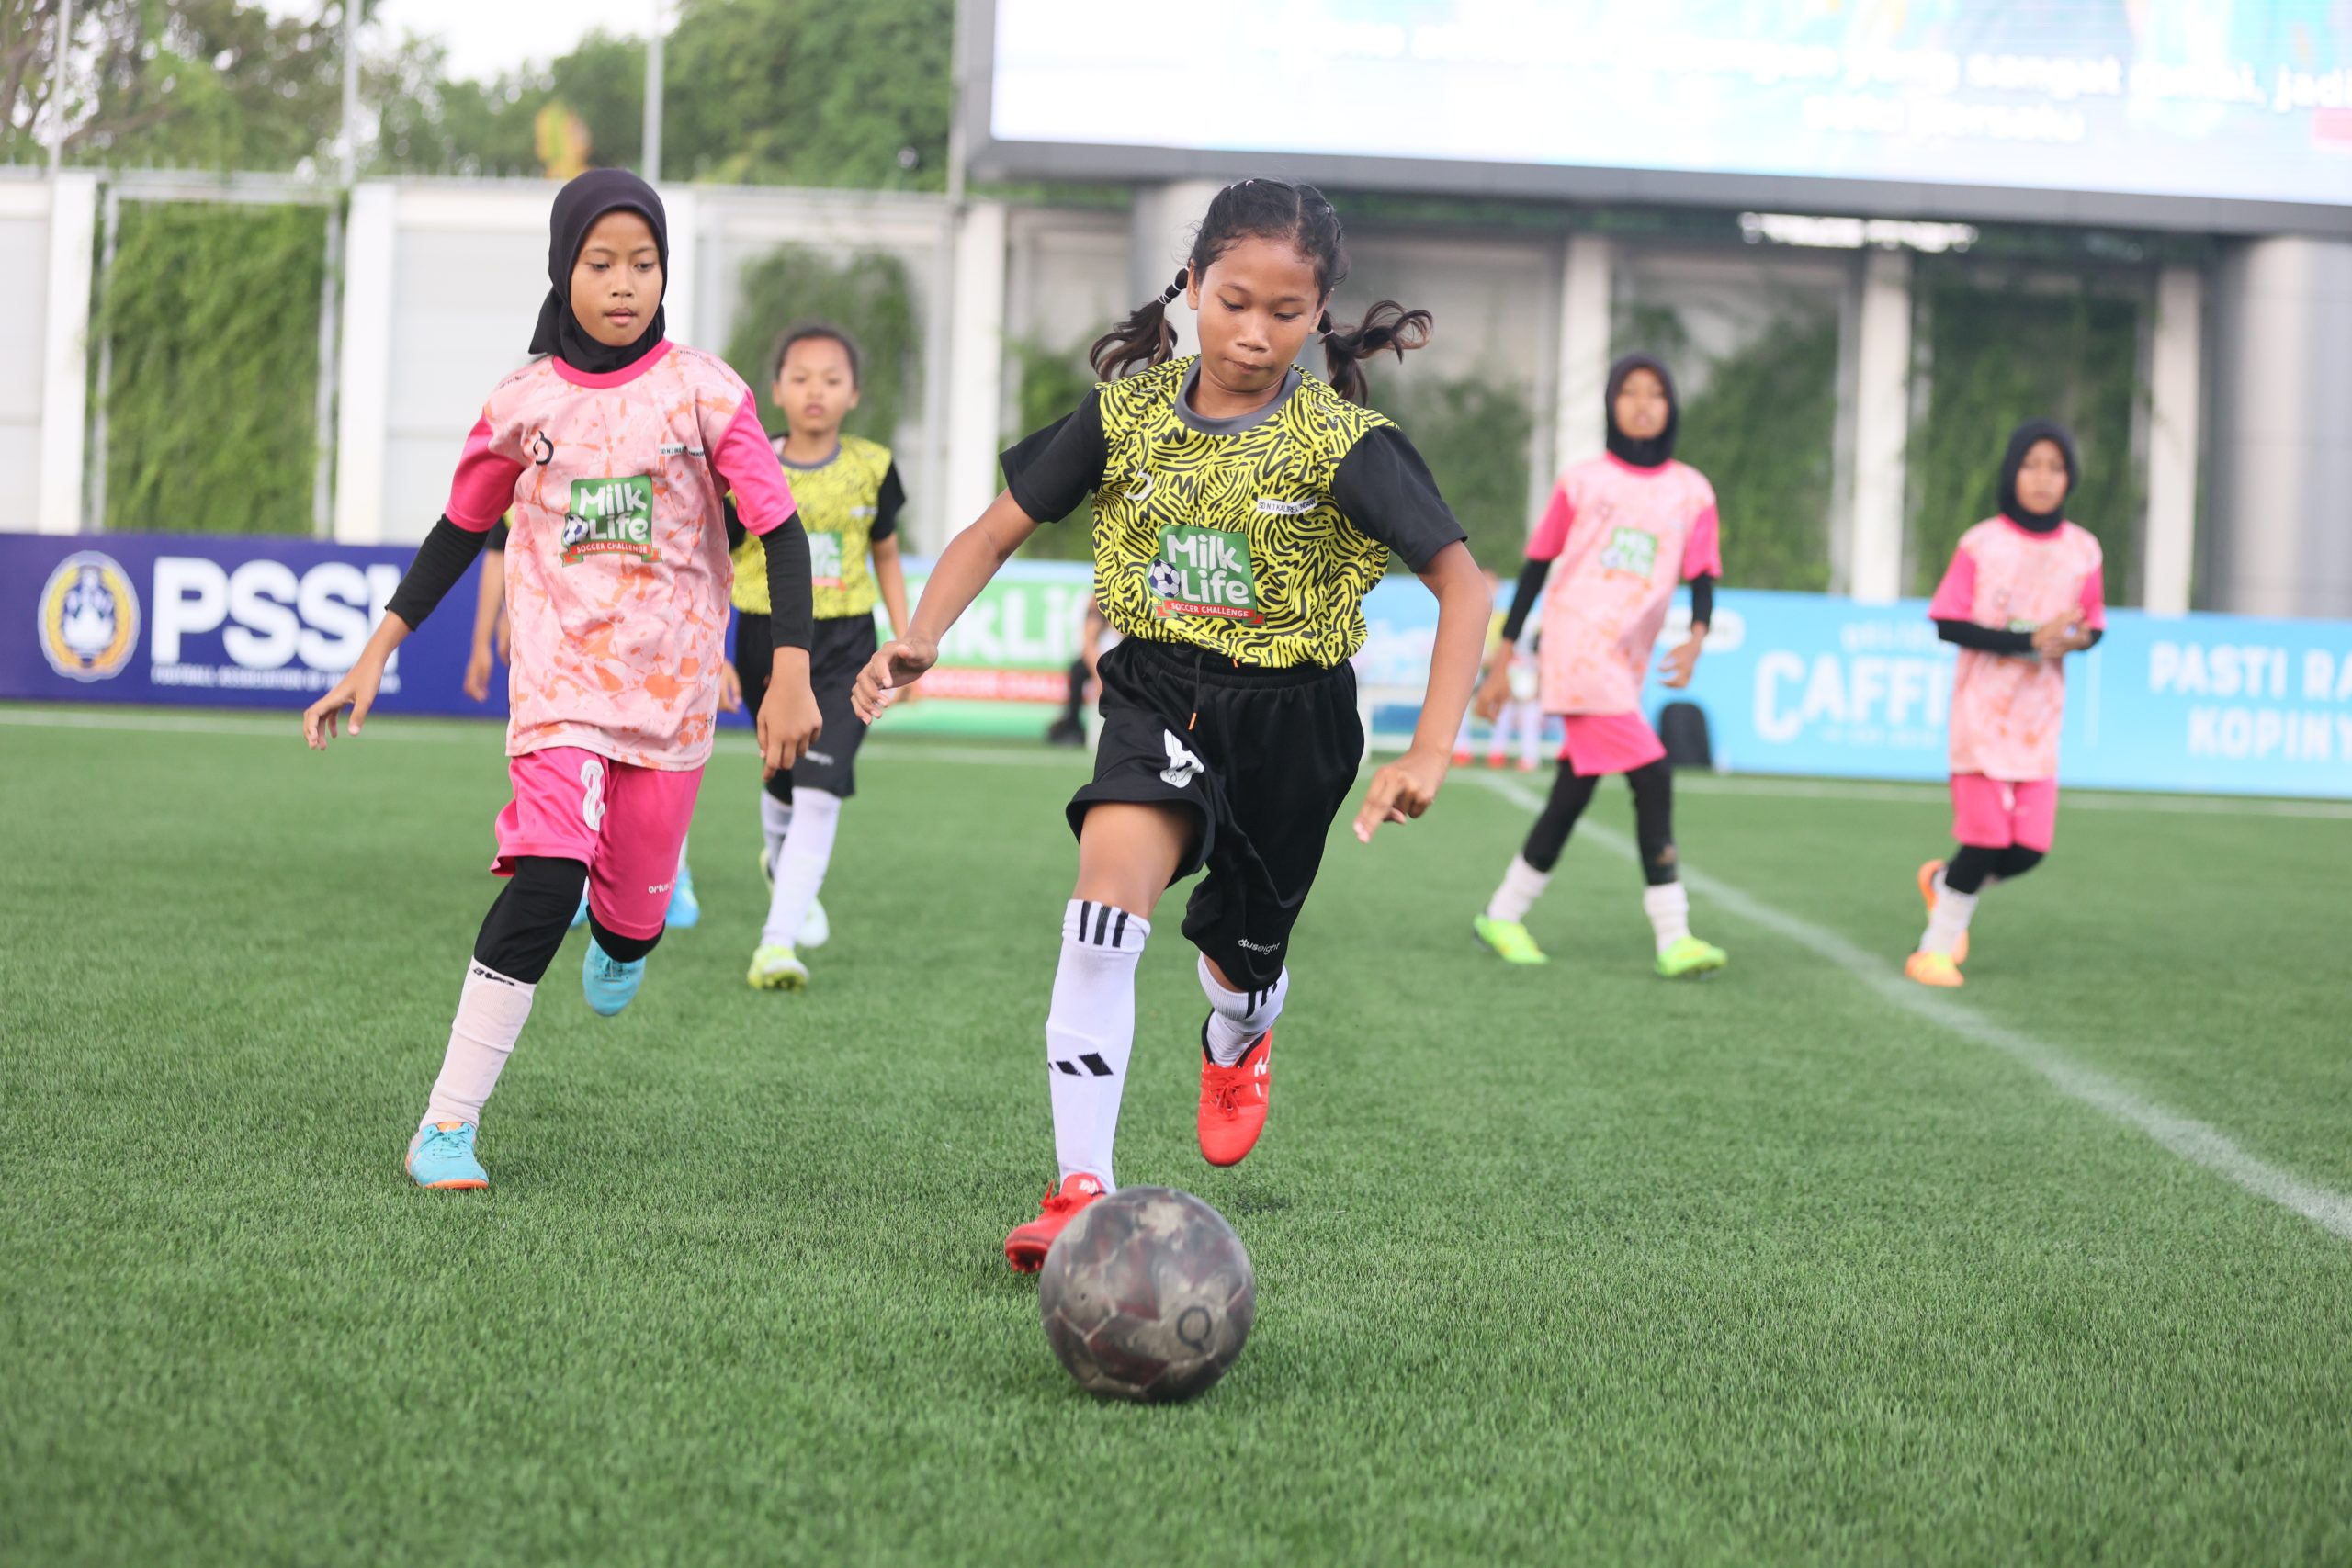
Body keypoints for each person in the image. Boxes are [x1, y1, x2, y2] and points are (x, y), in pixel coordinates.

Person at [849, 176, 1490, 1270]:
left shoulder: (1348, 445)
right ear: (1191, 286)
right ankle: (1078, 1189)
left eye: (1285, 314)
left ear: (1320, 312)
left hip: (1296, 724)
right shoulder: (1123, 417)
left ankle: (1240, 1031)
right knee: (1103, 901)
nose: (1254, 332)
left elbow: (1464, 587)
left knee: (1240, 967)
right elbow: (992, 532)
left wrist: (1429, 749)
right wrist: (923, 632)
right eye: (1233, 301)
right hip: (1156, 691)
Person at [301, 169, 820, 1190]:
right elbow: (459, 529)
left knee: (629, 921)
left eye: (643, 263)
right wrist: (380, 646)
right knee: (548, 877)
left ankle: (629, 933)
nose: (624, 283)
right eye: (600, 263)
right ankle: (446, 1125)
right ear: (562, 269)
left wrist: (789, 672)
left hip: (668, 704)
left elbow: (781, 531)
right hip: (557, 693)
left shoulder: (707, 393)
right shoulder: (521, 403)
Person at [1470, 354, 1729, 978]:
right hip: (1577, 646)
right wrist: (1503, 659)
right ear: (1612, 403)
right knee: (1654, 772)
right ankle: (1674, 933)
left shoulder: (1693, 491)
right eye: (1629, 392)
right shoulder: (1583, 482)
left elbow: (1703, 572)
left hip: (1625, 660)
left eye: (1656, 394)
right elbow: (1536, 566)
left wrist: (1696, 638)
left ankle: (1502, 913)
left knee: (1573, 791)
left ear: (1671, 407)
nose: (1642, 404)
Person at [720, 323, 913, 990]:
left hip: (848, 647)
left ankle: (775, 943)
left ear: (853, 393)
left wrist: (905, 639)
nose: (815, 391)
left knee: (820, 786)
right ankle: (782, 865)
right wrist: (716, 651)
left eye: (831, 379)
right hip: (763, 638)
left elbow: (885, 553)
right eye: (800, 377)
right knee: (781, 774)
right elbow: (716, 559)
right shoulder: (748, 465)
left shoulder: (874, 467)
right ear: (775, 389)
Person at [1908, 419, 2104, 987]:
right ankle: (1934, 951)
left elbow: (2093, 627)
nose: (2044, 478)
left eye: (2056, 467)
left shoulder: (2082, 550)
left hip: (2038, 724)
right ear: (2011, 472)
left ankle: (1943, 886)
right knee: (1987, 839)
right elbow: (1947, 622)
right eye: (2032, 464)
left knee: (2029, 851)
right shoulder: (1981, 543)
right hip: (1981, 720)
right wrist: (2027, 640)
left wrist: (2073, 638)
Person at [468, 515, 709, 928]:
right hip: (566, 643)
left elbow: (700, 542)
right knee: (575, 758)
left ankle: (669, 875)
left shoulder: (672, 460)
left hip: (652, 638)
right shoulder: (535, 458)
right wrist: (487, 636)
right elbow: (501, 547)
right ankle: (580, 878)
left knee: (655, 761)